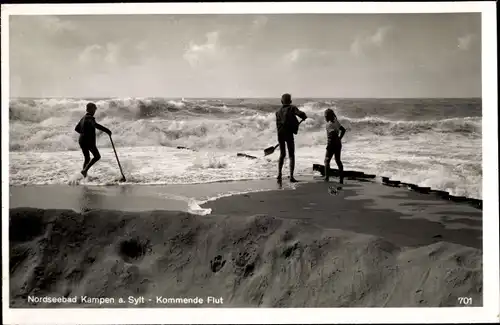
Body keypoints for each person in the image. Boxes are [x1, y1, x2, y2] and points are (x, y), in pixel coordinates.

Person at [275, 93, 307, 183]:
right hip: (289, 134)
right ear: (290, 101)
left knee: (282, 154)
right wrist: (304, 116)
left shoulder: (277, 112)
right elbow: (300, 113)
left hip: (280, 134)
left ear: (281, 101)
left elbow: (279, 123)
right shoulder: (292, 108)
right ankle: (291, 177)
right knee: (291, 155)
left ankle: (279, 174)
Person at [74, 102, 112, 177]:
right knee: (97, 156)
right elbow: (95, 125)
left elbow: (76, 129)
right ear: (90, 109)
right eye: (94, 109)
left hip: (81, 140)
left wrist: (84, 133)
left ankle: (84, 175)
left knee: (87, 158)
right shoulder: (90, 118)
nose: (94, 111)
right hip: (88, 141)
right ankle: (84, 171)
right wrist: (107, 130)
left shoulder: (83, 118)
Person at [324, 108, 346, 184]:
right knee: (338, 161)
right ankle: (341, 179)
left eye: (326, 116)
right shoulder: (336, 122)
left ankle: (326, 178)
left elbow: (332, 135)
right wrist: (339, 138)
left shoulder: (329, 124)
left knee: (327, 160)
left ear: (329, 116)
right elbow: (343, 130)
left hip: (332, 143)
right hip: (338, 144)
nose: (325, 117)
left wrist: (329, 146)